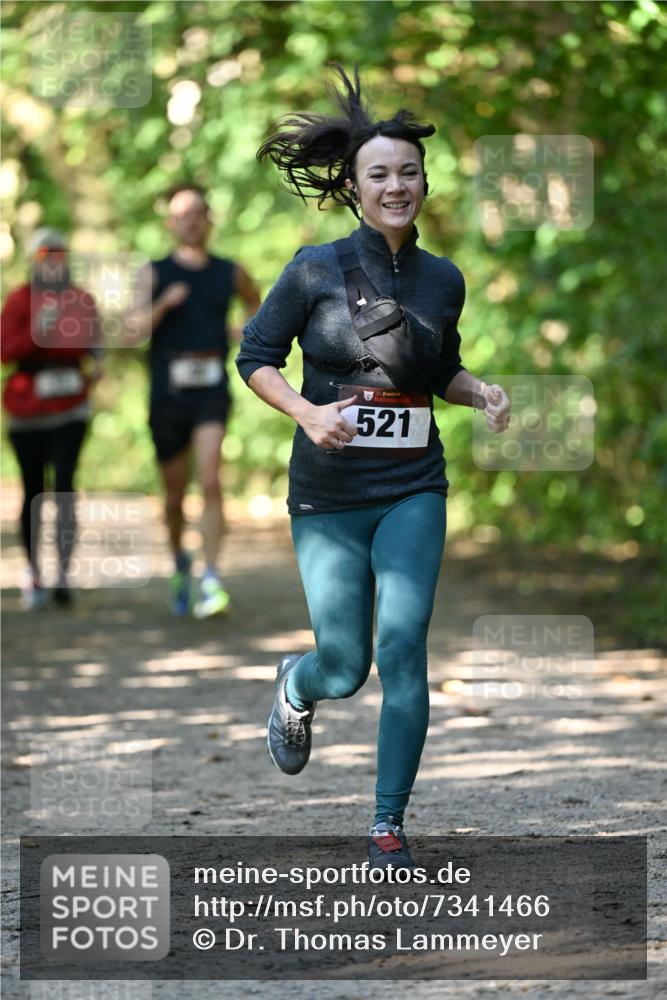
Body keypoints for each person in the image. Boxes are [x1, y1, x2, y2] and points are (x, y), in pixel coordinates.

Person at [236, 66, 511, 869]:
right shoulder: (313, 269)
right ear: (353, 188)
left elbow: (436, 373)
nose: (397, 186)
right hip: (327, 495)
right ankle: (298, 685)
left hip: (411, 486)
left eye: (408, 173)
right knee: (347, 665)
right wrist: (306, 412)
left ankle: (387, 822)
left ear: (425, 181)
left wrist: (480, 392)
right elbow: (255, 356)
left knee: (402, 647)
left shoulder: (443, 279)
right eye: (379, 174)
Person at [128, 183, 260, 618]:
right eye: (183, 215)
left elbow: (257, 308)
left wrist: (242, 333)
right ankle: (180, 564)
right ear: (171, 223)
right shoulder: (153, 273)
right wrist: (164, 303)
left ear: (209, 219)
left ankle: (212, 576)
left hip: (210, 392)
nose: (192, 221)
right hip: (166, 396)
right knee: (173, 496)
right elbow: (131, 332)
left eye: (198, 213)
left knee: (209, 479)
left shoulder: (229, 271)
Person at [1, 227, 103, 609]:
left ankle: (62, 574)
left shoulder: (80, 298)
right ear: (34, 259)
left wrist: (97, 362)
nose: (53, 259)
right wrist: (38, 328)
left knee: (63, 486)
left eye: (59, 252)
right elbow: (6, 351)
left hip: (70, 407)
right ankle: (34, 574)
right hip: (27, 409)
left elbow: (93, 340)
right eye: (45, 253)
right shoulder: (18, 300)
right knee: (32, 491)